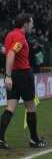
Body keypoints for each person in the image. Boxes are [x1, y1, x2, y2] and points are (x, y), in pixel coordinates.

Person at [0, 13, 46, 149]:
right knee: (31, 106)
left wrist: (9, 75)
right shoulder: (20, 37)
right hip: (23, 74)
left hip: (14, 74)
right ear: (25, 23)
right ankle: (34, 139)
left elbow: (7, 51)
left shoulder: (9, 35)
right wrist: (7, 76)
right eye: (31, 23)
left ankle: (0, 138)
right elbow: (11, 53)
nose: (32, 26)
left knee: (10, 107)